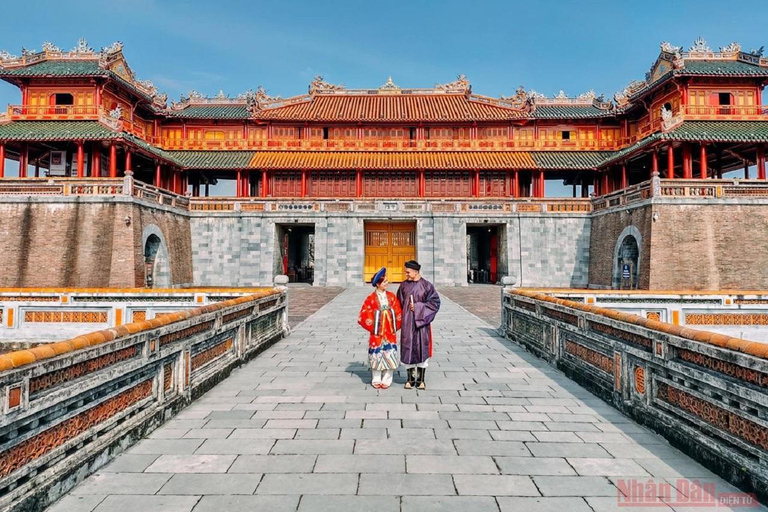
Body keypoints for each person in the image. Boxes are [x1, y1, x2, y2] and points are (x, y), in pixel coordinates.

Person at [397, 260, 440, 389]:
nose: (406, 274)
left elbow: (435, 303)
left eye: (408, 272)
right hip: (407, 323)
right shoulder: (404, 285)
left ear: (416, 272)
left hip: (422, 324)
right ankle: (410, 379)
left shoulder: (427, 286)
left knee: (422, 347)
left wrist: (418, 307)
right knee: (407, 347)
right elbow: (398, 303)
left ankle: (421, 380)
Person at [358, 267, 402, 389]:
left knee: (389, 353)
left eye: (387, 281)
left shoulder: (392, 296)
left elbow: (398, 310)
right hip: (377, 331)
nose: (387, 283)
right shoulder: (371, 298)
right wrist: (378, 316)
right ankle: (376, 378)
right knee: (376, 353)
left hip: (389, 331)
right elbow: (364, 313)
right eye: (384, 282)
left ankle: (387, 378)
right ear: (378, 283)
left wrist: (389, 313)